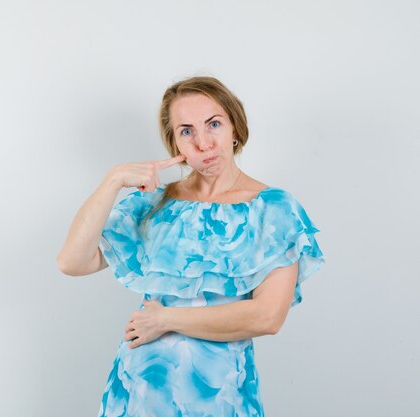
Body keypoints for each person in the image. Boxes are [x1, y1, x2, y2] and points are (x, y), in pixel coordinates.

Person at [56, 76, 326, 417]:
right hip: (138, 392)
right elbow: (72, 262)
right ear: (175, 144)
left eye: (213, 124)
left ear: (234, 128)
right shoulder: (155, 204)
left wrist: (166, 319)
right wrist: (113, 180)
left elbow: (267, 317)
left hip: (220, 396)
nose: (203, 142)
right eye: (186, 131)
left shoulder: (273, 210)